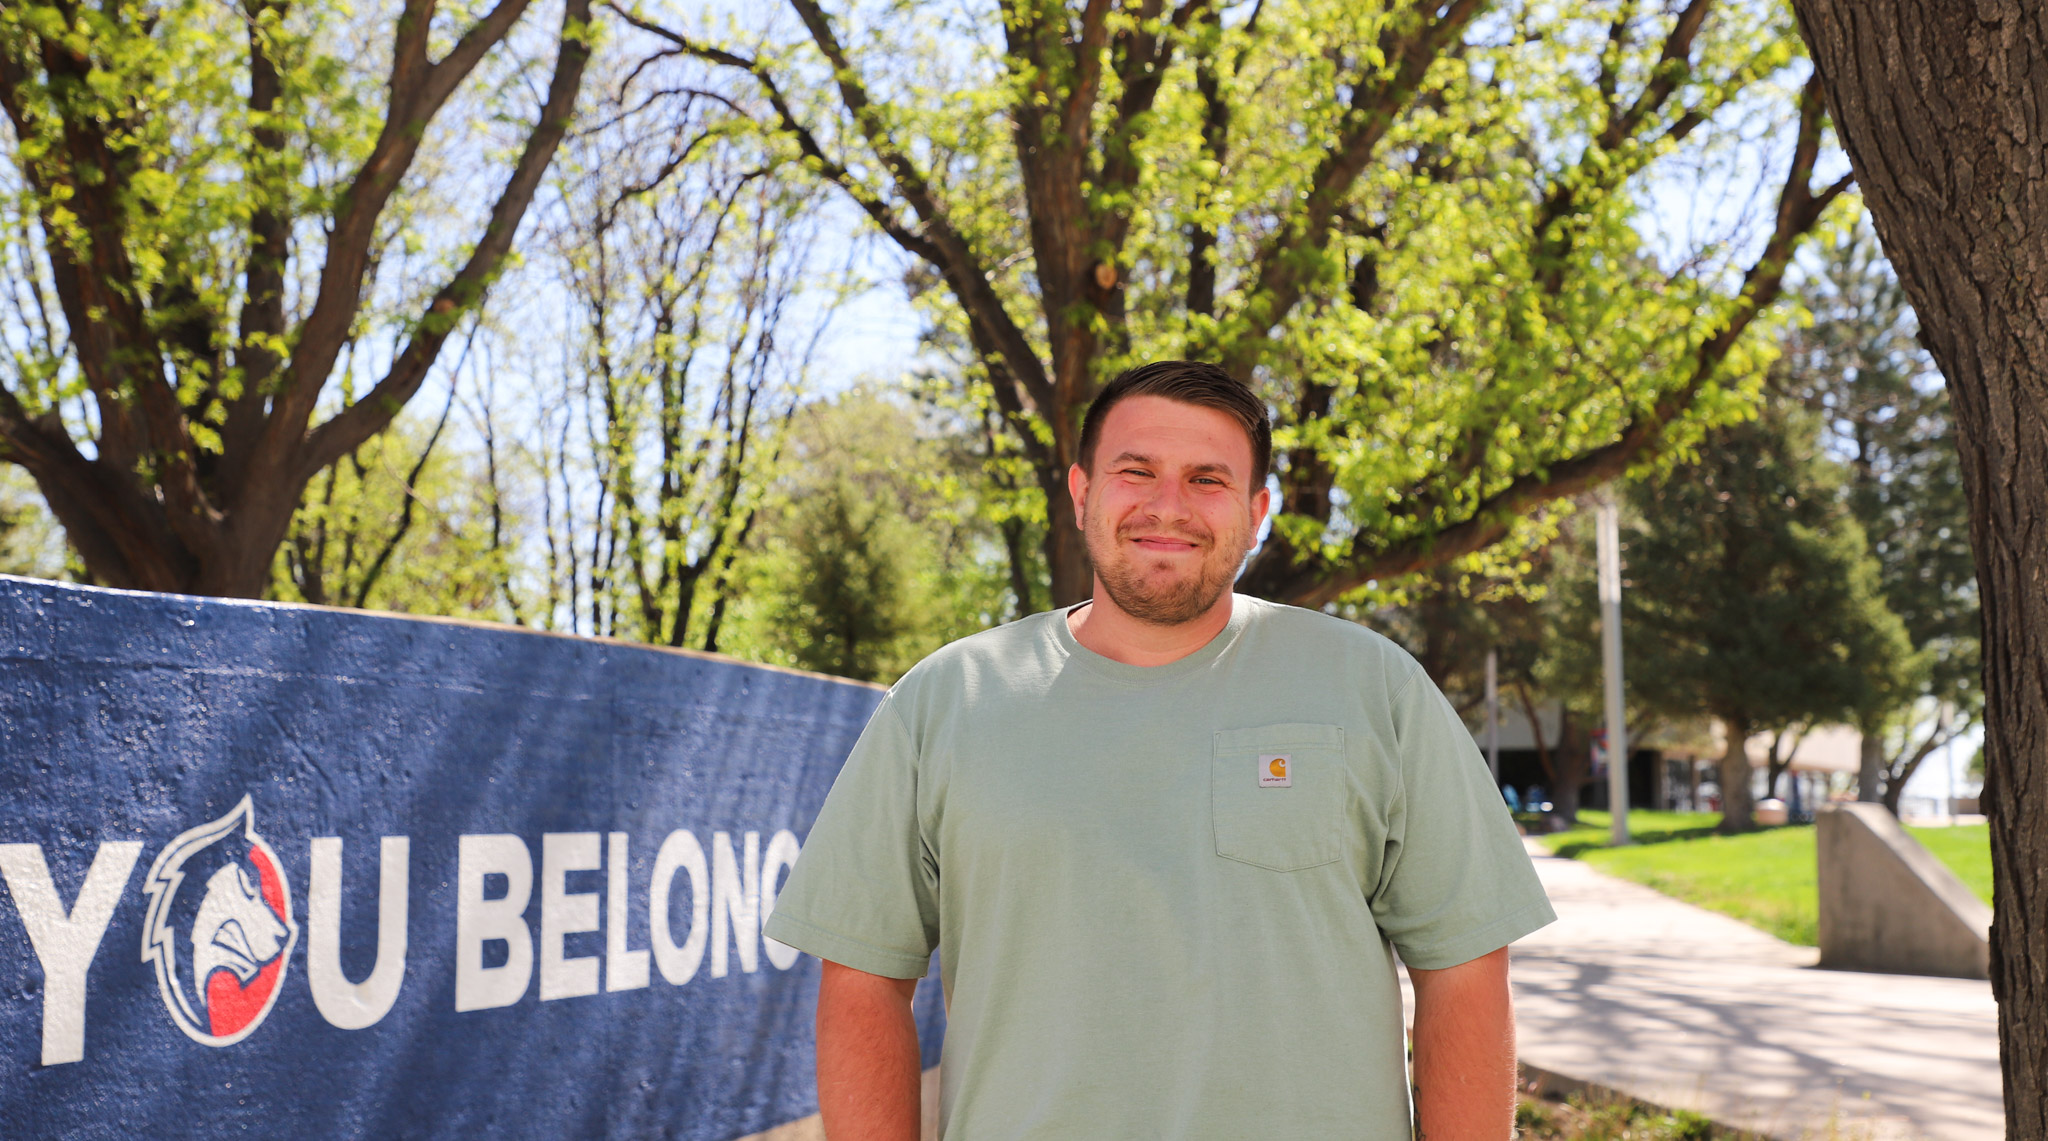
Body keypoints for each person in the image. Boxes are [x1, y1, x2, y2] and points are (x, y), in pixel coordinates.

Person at [763, 360, 1555, 1141]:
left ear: (1257, 511)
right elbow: (863, 978)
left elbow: (1464, 972)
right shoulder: (947, 700)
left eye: (1207, 479)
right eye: (1135, 471)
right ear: (1081, 494)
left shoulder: (1373, 688)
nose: (1167, 505)